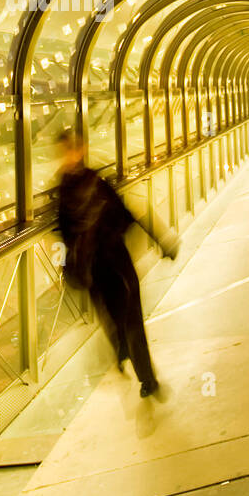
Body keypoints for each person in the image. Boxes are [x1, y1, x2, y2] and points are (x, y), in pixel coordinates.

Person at [54, 127, 177, 398]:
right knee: (115, 320)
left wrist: (160, 240)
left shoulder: (83, 185)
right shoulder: (73, 188)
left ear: (80, 150)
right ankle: (124, 352)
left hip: (110, 266)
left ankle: (146, 377)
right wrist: (62, 267)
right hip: (101, 267)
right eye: (66, 150)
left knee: (129, 320)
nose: (69, 155)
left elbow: (126, 213)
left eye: (71, 149)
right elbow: (63, 234)